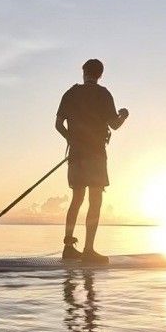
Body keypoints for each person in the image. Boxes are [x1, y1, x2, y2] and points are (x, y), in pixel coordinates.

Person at [55, 59, 129, 263]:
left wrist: (71, 139)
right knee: (95, 201)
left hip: (76, 156)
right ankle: (88, 250)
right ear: (100, 75)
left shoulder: (70, 93)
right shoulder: (103, 94)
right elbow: (114, 125)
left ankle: (68, 248)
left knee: (76, 200)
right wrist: (123, 115)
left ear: (84, 73)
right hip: (95, 156)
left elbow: (58, 124)